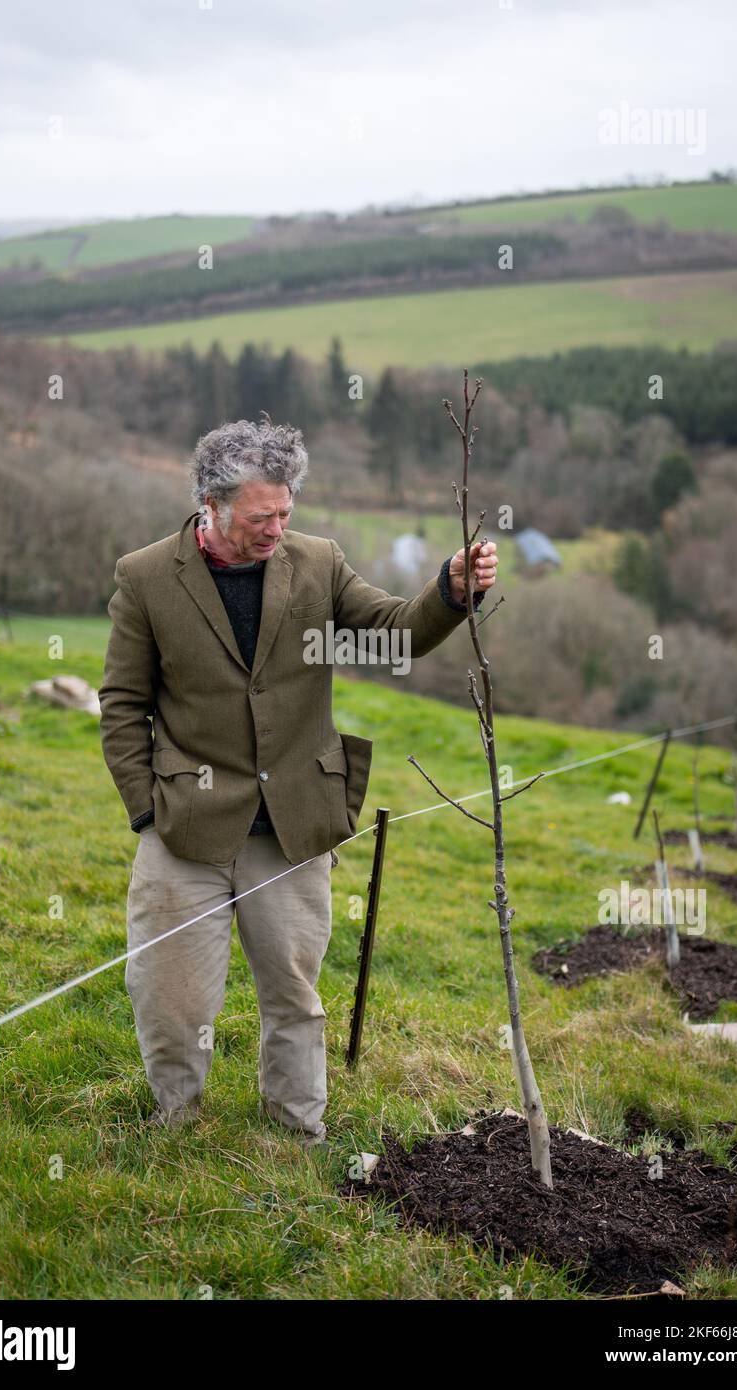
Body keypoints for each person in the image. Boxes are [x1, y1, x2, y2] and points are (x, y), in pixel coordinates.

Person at [98, 415, 498, 1145]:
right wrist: (145, 810)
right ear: (211, 505)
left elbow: (392, 632)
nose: (277, 528)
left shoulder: (318, 563)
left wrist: (449, 590)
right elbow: (123, 704)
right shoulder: (147, 576)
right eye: (260, 517)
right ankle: (175, 1124)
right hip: (186, 826)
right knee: (172, 998)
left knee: (293, 994)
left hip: (293, 824)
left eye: (285, 512)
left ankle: (295, 1133)